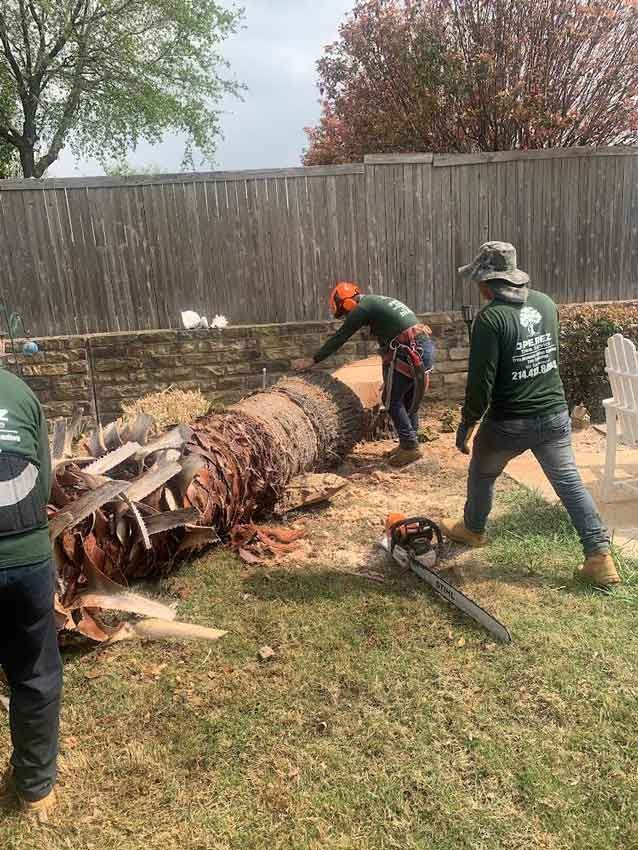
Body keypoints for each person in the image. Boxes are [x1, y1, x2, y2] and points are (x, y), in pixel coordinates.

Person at [440, 241, 619, 587]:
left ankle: (473, 529)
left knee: (482, 472)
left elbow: (481, 384)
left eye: (478, 279)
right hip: (553, 415)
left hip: (509, 423)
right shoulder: (545, 303)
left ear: (487, 282)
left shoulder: (490, 319)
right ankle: (599, 556)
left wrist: (467, 425)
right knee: (569, 483)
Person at [0, 368, 61, 821]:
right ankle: (36, 789)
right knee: (34, 672)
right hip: (27, 560)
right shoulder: (20, 392)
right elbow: (40, 482)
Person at [295, 282, 435, 467]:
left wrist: (313, 360)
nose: (347, 316)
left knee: (392, 401)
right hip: (420, 347)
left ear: (347, 304)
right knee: (407, 398)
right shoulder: (375, 302)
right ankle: (410, 443)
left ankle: (410, 446)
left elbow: (340, 337)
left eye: (345, 313)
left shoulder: (361, 309)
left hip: (408, 350)